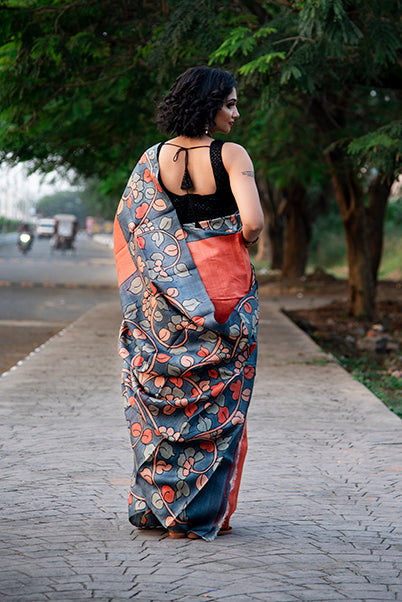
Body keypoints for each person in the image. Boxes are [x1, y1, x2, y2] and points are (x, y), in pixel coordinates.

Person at [114, 66, 264, 541]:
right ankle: (198, 514)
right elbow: (254, 222)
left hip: (165, 291)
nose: (237, 114)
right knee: (222, 402)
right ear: (209, 105)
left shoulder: (152, 159)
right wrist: (232, 238)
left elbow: (134, 225)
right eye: (231, 104)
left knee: (169, 398)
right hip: (224, 285)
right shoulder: (232, 155)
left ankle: (163, 510)